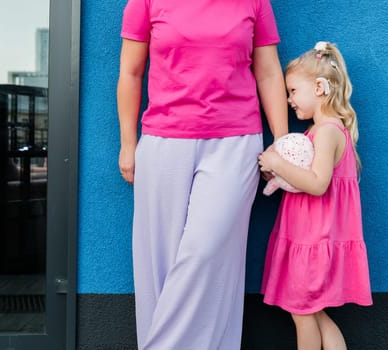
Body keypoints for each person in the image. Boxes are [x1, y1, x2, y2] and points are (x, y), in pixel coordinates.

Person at [116, 0, 288, 349]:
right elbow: (131, 73)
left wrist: (282, 142)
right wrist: (127, 143)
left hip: (235, 143)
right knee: (159, 265)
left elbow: (269, 72)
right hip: (163, 141)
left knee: (206, 253)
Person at [258, 41, 372, 350]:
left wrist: (279, 162)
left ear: (320, 87)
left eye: (294, 91)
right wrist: (278, 174)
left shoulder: (328, 132)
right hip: (307, 237)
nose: (289, 100)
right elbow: (301, 179)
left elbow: (318, 183)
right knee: (314, 312)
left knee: (303, 313)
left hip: (314, 239)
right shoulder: (316, 132)